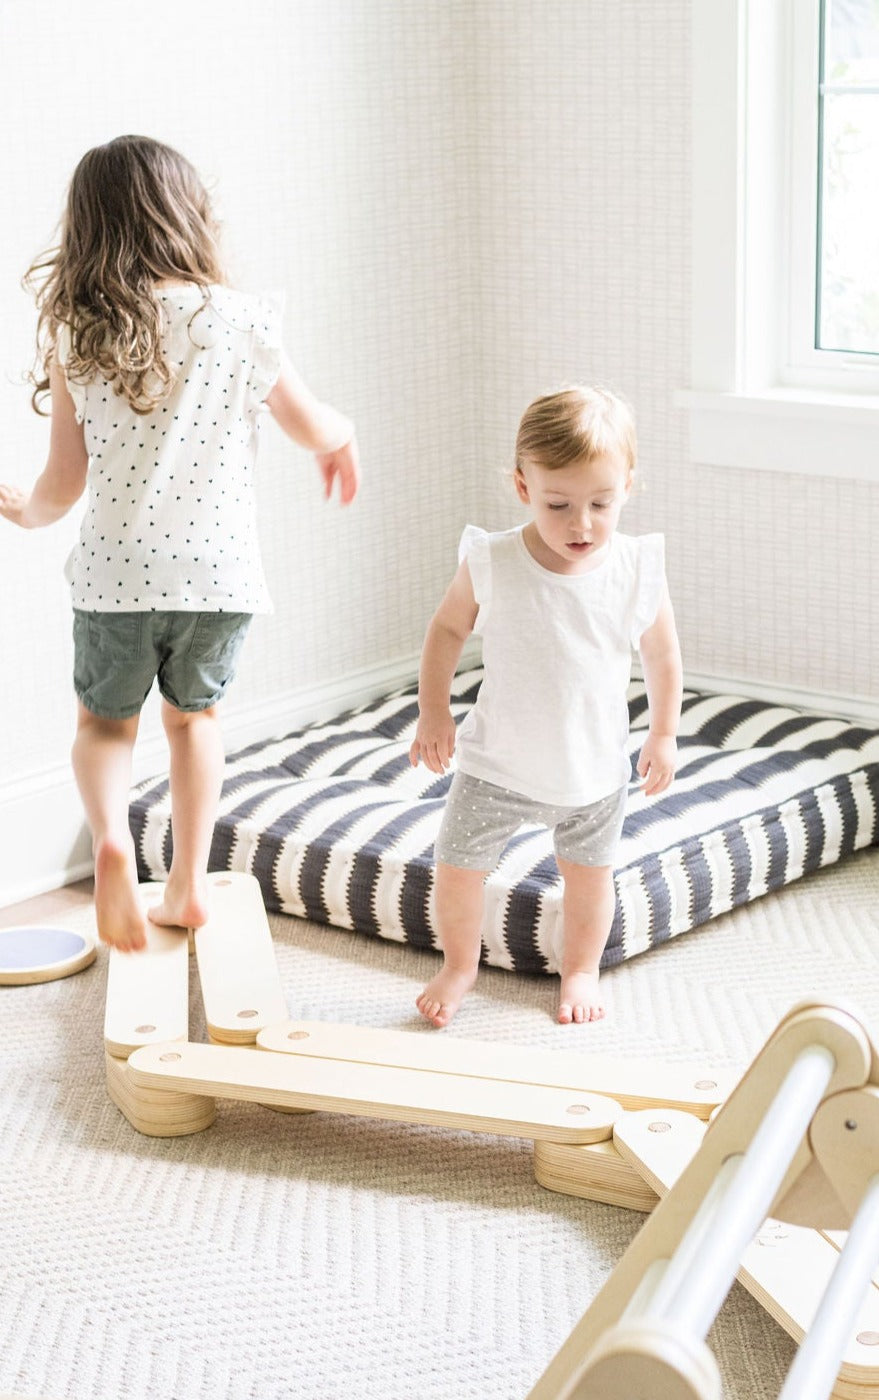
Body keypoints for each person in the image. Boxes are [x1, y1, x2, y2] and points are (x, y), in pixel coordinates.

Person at [0, 135, 360, 953]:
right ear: (187, 215)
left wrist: (25, 514)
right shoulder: (239, 320)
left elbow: (63, 480)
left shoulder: (77, 333)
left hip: (114, 577)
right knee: (195, 722)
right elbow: (310, 424)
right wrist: (342, 437)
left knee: (103, 726)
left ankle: (112, 843)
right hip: (218, 577)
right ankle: (189, 884)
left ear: (88, 228)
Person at [409, 385, 681, 1027]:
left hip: (591, 773)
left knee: (589, 882)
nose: (580, 524)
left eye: (601, 503)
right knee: (456, 870)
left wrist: (664, 734)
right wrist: (434, 712)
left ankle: (580, 969)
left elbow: (663, 658)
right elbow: (446, 630)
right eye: (559, 504)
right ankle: (458, 964)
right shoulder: (494, 561)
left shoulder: (636, 568)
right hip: (495, 766)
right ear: (524, 487)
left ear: (628, 487)